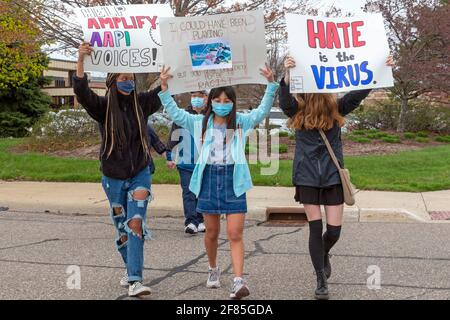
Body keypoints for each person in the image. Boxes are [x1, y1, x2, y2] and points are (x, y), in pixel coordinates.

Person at [158, 64, 279, 299]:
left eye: (227, 99)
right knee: (211, 233)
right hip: (209, 179)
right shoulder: (199, 122)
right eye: (218, 99)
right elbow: (175, 114)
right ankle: (213, 269)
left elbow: (262, 111)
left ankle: (238, 281)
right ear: (211, 101)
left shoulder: (241, 122)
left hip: (233, 179)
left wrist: (271, 84)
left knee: (235, 233)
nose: (222, 103)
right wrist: (164, 88)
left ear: (233, 102)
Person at [279, 55, 394, 300]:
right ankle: (321, 279)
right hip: (307, 178)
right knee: (315, 228)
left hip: (332, 178)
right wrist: (287, 75)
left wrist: (380, 68)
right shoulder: (296, 113)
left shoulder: (337, 110)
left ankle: (324, 252)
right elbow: (285, 99)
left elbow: (358, 93)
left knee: (333, 232)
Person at [72, 42, 162, 297]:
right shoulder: (102, 108)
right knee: (122, 228)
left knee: (135, 223)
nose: (128, 82)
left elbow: (163, 91)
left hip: (140, 173)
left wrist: (169, 75)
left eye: (131, 78)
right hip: (113, 177)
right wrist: (80, 60)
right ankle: (129, 269)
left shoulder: (142, 103)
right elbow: (82, 91)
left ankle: (135, 279)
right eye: (123, 78)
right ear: (113, 81)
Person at [166, 91, 208, 234]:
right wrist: (169, 156)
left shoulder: (210, 117)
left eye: (200, 95)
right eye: (194, 95)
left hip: (204, 163)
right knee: (189, 192)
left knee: (201, 191)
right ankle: (191, 221)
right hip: (185, 163)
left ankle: (201, 219)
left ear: (206, 98)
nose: (196, 98)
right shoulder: (182, 116)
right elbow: (173, 138)